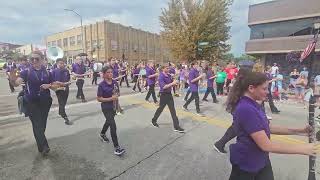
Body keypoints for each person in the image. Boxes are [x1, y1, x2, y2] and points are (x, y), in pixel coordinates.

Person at [226, 71, 316, 180]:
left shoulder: (254, 104)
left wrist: (300, 131)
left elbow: (267, 128)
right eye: (264, 89)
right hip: (247, 163)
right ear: (251, 88)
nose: (267, 92)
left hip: (261, 160)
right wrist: (303, 149)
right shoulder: (246, 109)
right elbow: (267, 145)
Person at [10, 51, 63, 155]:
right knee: (38, 124)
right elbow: (17, 83)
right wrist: (12, 79)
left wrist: (49, 85)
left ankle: (40, 147)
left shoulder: (47, 72)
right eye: (32, 59)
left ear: (42, 60)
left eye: (37, 59)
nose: (34, 61)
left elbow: (55, 86)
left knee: (41, 125)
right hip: (31, 102)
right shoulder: (26, 72)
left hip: (45, 101)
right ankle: (45, 147)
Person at [97, 66, 125, 156]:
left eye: (111, 72)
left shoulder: (115, 82)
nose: (110, 74)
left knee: (108, 122)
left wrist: (117, 96)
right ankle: (117, 148)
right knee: (113, 125)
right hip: (106, 107)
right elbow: (99, 99)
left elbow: (118, 93)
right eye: (108, 72)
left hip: (114, 107)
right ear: (104, 74)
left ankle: (102, 134)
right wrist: (110, 98)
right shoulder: (101, 85)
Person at [151, 63, 184, 133]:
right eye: (167, 68)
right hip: (163, 95)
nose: (168, 69)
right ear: (163, 69)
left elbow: (171, 84)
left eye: (168, 68)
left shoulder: (169, 75)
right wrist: (173, 83)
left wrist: (175, 83)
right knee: (160, 109)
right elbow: (164, 87)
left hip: (169, 95)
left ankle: (176, 126)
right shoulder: (161, 77)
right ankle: (154, 120)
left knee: (173, 111)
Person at [51, 58, 71, 125]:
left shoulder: (66, 71)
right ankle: (65, 116)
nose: (62, 64)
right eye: (60, 63)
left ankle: (60, 111)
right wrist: (59, 83)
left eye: (63, 63)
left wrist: (68, 83)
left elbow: (68, 79)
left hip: (66, 88)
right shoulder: (53, 71)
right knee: (61, 102)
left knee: (64, 102)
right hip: (59, 89)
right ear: (57, 63)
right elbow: (52, 81)